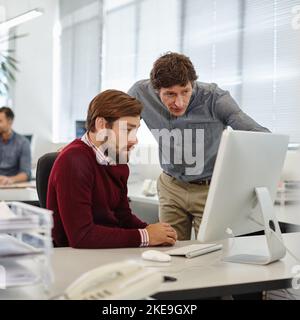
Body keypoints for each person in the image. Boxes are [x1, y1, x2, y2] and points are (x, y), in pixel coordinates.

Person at [128, 52, 270, 240]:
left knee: (212, 255)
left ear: (192, 83)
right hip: (171, 187)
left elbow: (259, 136)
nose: (179, 102)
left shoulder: (215, 98)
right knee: (170, 250)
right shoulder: (140, 93)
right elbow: (117, 124)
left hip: (209, 190)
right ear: (156, 89)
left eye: (185, 91)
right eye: (170, 94)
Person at [47, 89, 177, 248]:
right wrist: (146, 236)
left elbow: (122, 216)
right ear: (101, 125)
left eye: (135, 131)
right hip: (75, 258)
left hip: (106, 252)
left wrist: (151, 230)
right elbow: (81, 236)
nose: (134, 140)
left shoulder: (117, 159)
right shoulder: (73, 160)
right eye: (127, 130)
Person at [0, 107, 31, 185]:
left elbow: (26, 174)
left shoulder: (23, 143)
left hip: (12, 184)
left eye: (0, 121)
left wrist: (10, 179)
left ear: (10, 121)